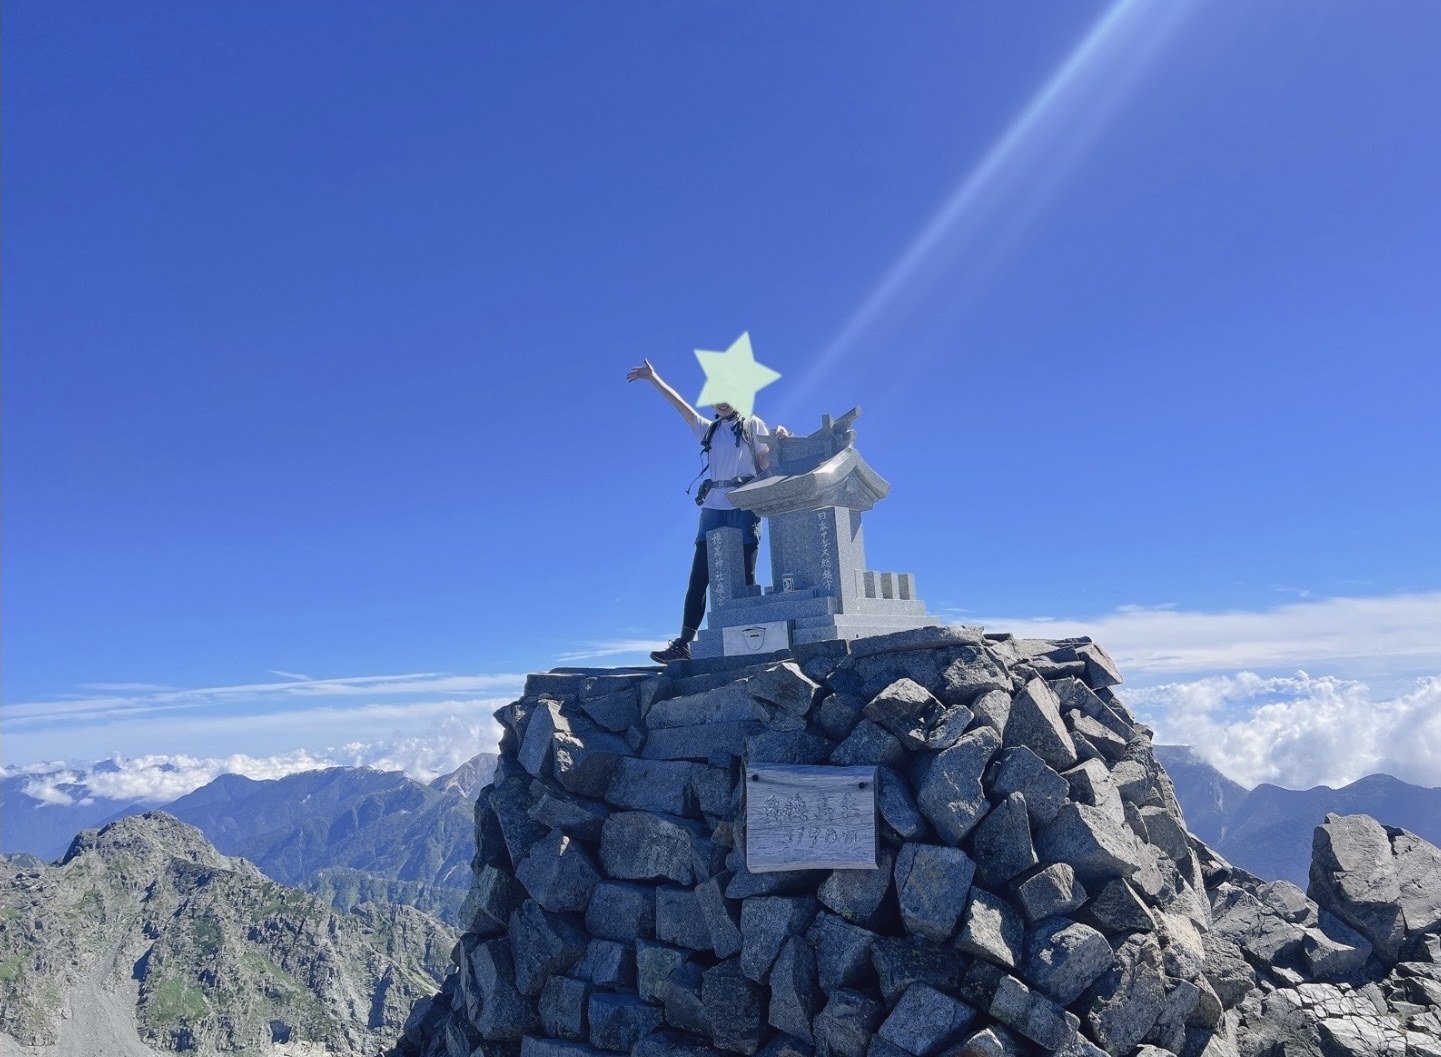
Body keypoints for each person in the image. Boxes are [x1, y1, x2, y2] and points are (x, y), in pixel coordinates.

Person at [627, 358, 787, 663]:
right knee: (699, 578)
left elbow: (766, 463)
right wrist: (653, 378)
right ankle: (683, 644)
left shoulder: (753, 424)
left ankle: (747, 639)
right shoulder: (709, 430)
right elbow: (680, 405)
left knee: (744, 578)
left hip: (744, 507)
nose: (722, 401)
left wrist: (779, 441)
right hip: (712, 510)